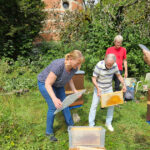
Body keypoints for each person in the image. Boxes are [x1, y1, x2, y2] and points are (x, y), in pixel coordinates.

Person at [37, 50, 85, 142]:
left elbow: (69, 78)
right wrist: (54, 98)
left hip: (58, 85)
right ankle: (48, 132)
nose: (79, 65)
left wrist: (75, 90)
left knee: (65, 104)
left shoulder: (74, 68)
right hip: (45, 83)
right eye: (78, 62)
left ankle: (71, 126)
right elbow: (48, 83)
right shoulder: (59, 65)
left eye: (80, 63)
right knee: (53, 107)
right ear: (70, 59)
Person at [88, 54, 126, 132]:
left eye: (111, 65)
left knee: (111, 106)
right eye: (108, 64)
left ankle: (108, 123)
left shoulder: (115, 65)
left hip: (108, 88)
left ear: (114, 62)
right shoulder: (99, 65)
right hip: (99, 88)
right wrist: (98, 88)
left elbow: (119, 76)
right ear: (105, 60)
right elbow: (93, 78)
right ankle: (91, 124)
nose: (109, 66)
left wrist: (124, 84)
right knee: (94, 106)